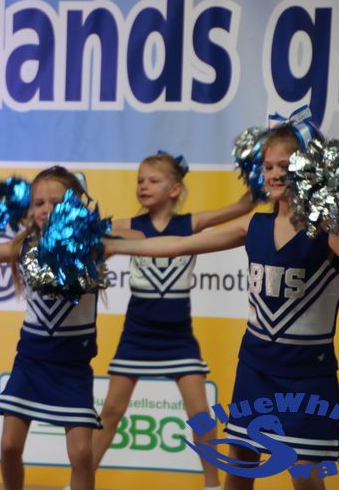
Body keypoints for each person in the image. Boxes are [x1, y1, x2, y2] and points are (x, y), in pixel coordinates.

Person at [104, 128, 339, 490]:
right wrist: (115, 246)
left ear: (309, 168)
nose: (275, 174)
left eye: (285, 165)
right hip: (256, 366)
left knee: (305, 476)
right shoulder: (254, 225)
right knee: (239, 466)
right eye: (268, 166)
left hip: (307, 373)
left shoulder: (325, 230)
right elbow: (177, 245)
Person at [0, 166, 138, 490]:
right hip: (31, 363)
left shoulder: (93, 248)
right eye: (39, 203)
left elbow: (144, 240)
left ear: (75, 204)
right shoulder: (24, 248)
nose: (46, 209)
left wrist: (91, 228)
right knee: (9, 446)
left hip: (72, 368)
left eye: (56, 202)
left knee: (81, 453)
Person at [93, 152, 254, 489]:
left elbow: (242, 207)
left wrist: (258, 173)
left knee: (200, 414)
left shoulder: (190, 224)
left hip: (179, 338)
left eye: (153, 181)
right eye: (140, 180)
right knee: (111, 411)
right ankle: (80, 479)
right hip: (137, 334)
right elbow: (88, 229)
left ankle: (212, 484)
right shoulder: (127, 226)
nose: (143, 186)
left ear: (175, 189)